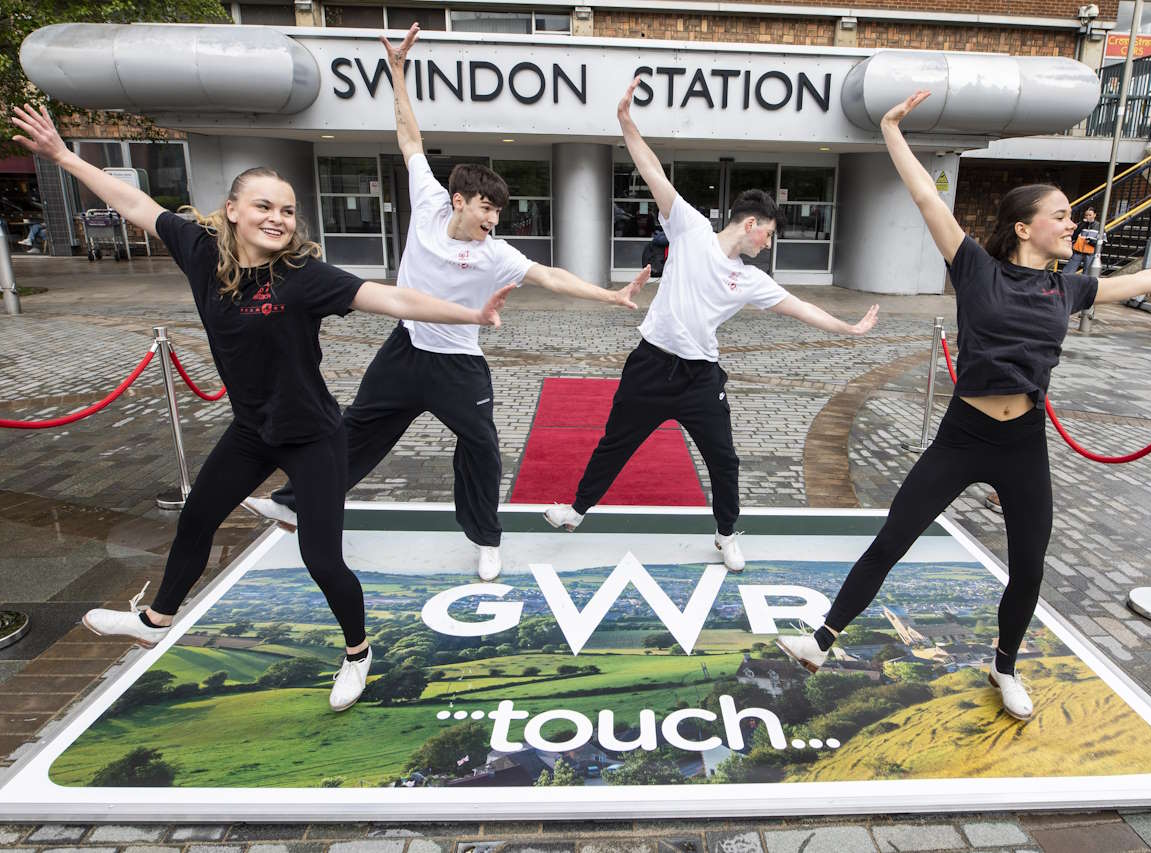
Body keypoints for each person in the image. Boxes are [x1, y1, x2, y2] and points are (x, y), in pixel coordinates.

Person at [10, 102, 514, 713]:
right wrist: (65, 157)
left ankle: (358, 653)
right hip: (252, 432)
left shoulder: (303, 275)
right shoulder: (200, 254)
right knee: (197, 519)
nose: (277, 218)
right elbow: (136, 205)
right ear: (233, 211)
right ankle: (155, 617)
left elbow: (392, 297)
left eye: (287, 209)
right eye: (264, 206)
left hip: (314, 437)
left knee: (322, 559)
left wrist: (472, 314)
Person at [775, 90, 1151, 721]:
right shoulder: (974, 269)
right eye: (1062, 215)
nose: (1074, 223)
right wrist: (889, 129)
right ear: (1024, 228)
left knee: (1028, 564)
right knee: (894, 537)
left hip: (1025, 443)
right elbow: (926, 198)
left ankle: (1004, 665)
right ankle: (820, 640)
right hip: (963, 435)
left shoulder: (1068, 287)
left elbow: (1142, 282)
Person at [244, 25, 650, 583]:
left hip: (458, 363)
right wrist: (398, 72)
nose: (492, 220)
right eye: (486, 208)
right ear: (459, 200)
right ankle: (295, 502)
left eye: (498, 214)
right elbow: (410, 137)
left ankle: (485, 537)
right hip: (405, 349)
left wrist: (609, 293)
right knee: (357, 429)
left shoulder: (497, 253)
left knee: (481, 445)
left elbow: (552, 277)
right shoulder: (430, 201)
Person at [542, 77, 881, 572]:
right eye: (767, 234)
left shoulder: (751, 280)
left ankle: (726, 534)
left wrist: (846, 329)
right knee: (616, 444)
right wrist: (626, 124)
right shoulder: (691, 229)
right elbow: (653, 172)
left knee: (724, 460)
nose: (767, 244)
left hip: (701, 378)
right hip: (650, 366)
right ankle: (576, 511)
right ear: (750, 224)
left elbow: (797, 307)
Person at [1062, 206, 1098, 274]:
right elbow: (1074, 235)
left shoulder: (1098, 226)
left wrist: (1091, 242)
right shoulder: (1081, 224)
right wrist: (1083, 224)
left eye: (1090, 215)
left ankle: (1084, 284)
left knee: (1087, 273)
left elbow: (1103, 241)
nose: (1088, 217)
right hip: (1078, 251)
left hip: (1090, 253)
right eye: (1086, 215)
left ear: (1095, 215)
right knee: (1068, 271)